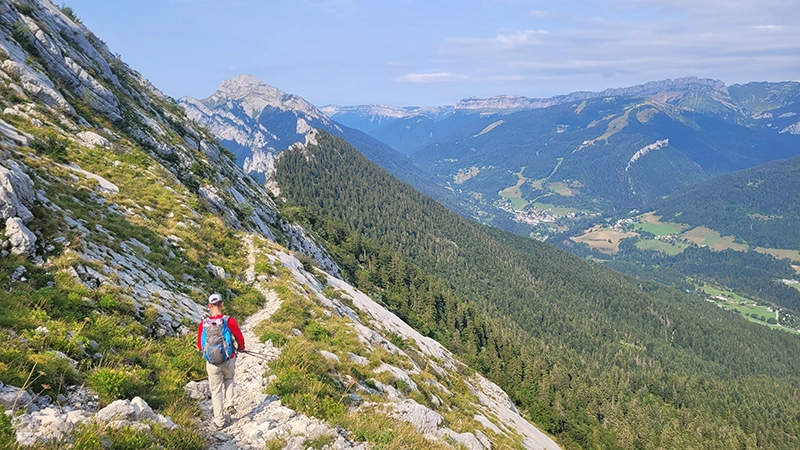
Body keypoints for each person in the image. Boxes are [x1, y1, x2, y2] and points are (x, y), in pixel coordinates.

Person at [197, 293, 245, 429]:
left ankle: (219, 421)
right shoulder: (228, 320)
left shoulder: (204, 324)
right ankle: (230, 403)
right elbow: (239, 337)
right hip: (228, 359)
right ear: (222, 304)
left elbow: (200, 345)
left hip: (212, 363)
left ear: (209, 306)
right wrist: (241, 348)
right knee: (229, 379)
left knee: (216, 390)